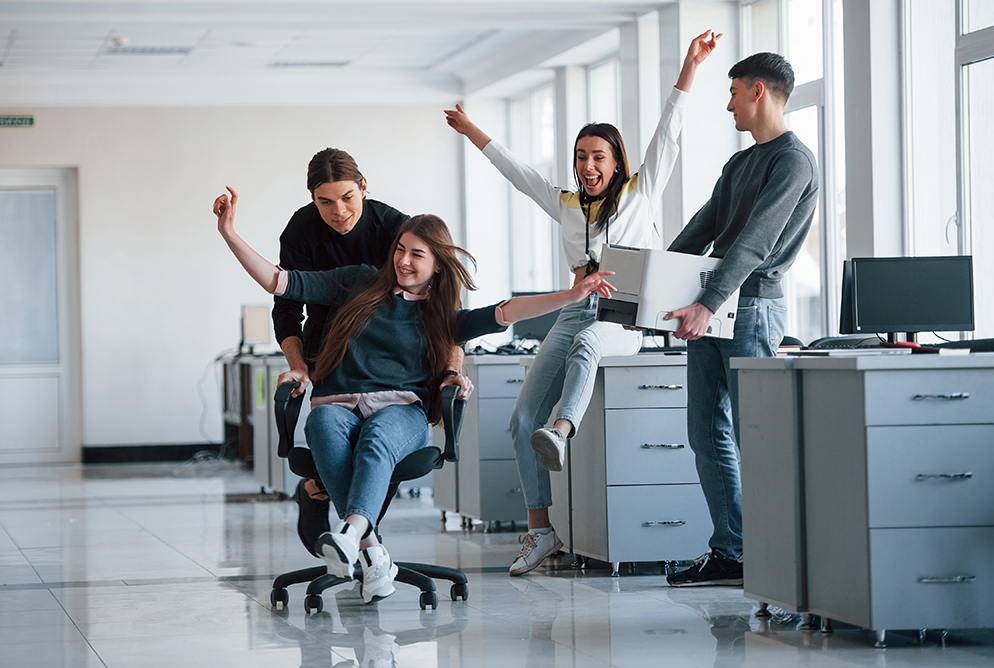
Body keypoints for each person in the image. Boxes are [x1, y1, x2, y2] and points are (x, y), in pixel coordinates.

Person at [214, 187, 618, 601]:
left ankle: (352, 535)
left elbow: (508, 311)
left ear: (438, 266)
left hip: (400, 410)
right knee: (322, 422)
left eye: (417, 254)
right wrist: (229, 233)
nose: (403, 261)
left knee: (375, 441)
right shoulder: (357, 281)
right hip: (337, 402)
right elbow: (279, 281)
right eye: (401, 249)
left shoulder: (441, 316)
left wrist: (572, 295)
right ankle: (371, 552)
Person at [444, 30, 720, 576]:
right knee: (522, 419)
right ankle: (540, 531)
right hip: (574, 307)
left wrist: (689, 66)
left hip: (624, 311)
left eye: (598, 156)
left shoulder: (642, 192)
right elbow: (516, 172)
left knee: (592, 343)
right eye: (580, 157)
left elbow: (669, 131)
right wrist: (471, 129)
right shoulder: (567, 204)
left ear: (616, 161)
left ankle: (564, 429)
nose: (587, 166)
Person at [663, 52, 818, 587]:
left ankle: (778, 554)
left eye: (732, 92)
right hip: (712, 306)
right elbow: (699, 230)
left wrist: (707, 304)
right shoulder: (739, 163)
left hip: (750, 309)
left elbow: (756, 243)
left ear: (758, 91)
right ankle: (732, 550)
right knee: (705, 432)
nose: (728, 103)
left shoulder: (793, 161)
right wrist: (646, 288)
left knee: (757, 434)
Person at [271, 149, 469, 557]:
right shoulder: (302, 230)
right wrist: (298, 366)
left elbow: (446, 309)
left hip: (393, 354)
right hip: (329, 350)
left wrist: (450, 370)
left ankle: (339, 519)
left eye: (347, 197)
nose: (338, 211)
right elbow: (287, 305)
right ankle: (368, 547)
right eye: (324, 201)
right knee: (335, 435)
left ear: (363, 187)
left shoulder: (395, 229)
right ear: (312, 199)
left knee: (380, 447)